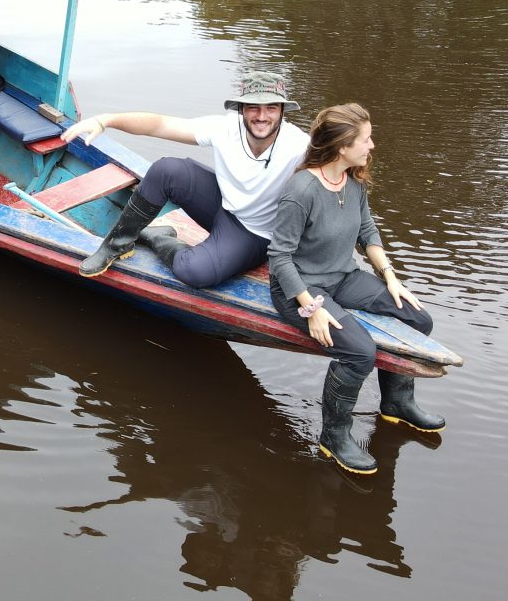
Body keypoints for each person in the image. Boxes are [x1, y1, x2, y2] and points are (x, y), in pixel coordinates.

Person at [267, 103, 445, 477]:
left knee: (418, 319)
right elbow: (279, 257)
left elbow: (367, 231)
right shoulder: (301, 191)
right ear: (342, 145)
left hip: (343, 276)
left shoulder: (353, 181)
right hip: (299, 288)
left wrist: (390, 277)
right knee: (359, 351)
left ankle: (397, 403)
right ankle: (334, 435)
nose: (372, 145)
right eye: (365, 139)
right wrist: (311, 308)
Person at [61, 70, 309, 285]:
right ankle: (116, 244)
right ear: (242, 109)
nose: (262, 116)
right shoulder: (225, 128)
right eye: (253, 107)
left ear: (282, 111)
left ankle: (158, 237)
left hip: (254, 233)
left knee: (194, 271)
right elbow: (159, 125)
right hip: (222, 206)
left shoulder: (299, 147)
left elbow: (329, 185)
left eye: (271, 108)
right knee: (166, 170)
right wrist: (105, 120)